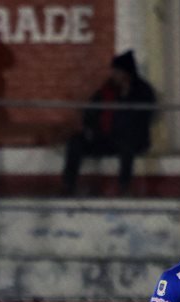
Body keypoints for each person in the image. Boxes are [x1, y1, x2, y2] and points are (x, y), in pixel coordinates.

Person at [61, 50, 156, 196]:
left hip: (131, 140)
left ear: (126, 73)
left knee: (127, 145)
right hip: (106, 138)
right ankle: (68, 185)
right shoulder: (107, 90)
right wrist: (90, 128)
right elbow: (91, 110)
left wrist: (125, 98)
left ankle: (124, 187)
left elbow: (143, 118)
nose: (113, 75)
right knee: (75, 142)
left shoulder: (142, 91)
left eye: (117, 72)